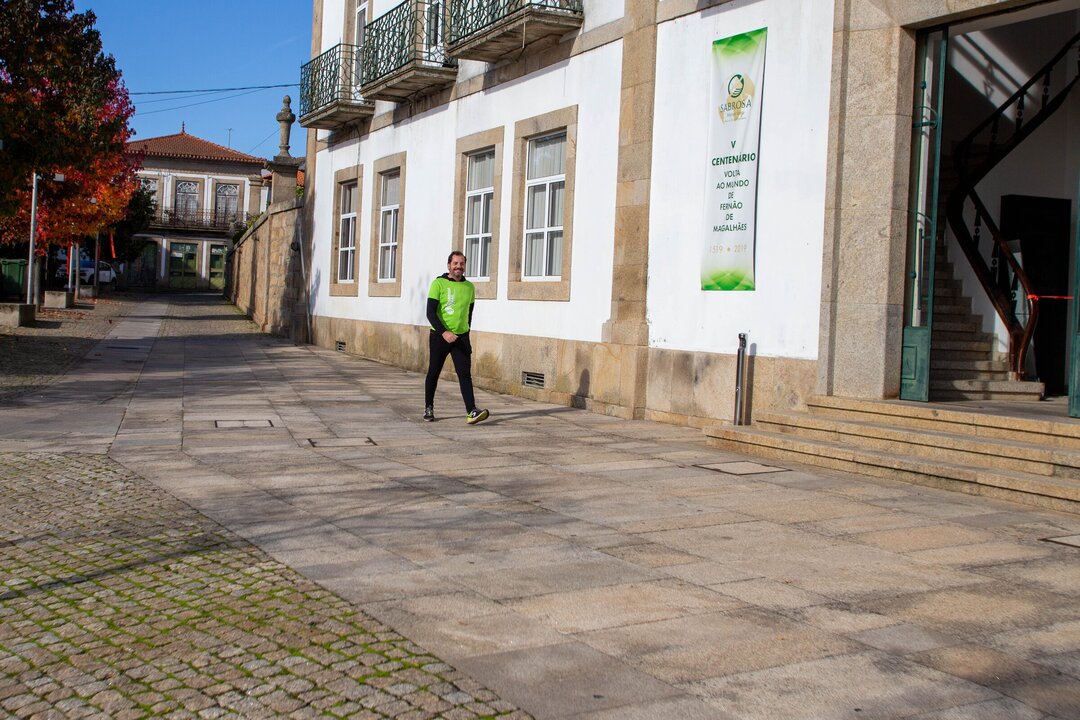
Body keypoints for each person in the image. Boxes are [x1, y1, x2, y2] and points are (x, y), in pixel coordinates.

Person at [424, 251, 489, 424]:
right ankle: (428, 407)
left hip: (461, 338)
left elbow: (469, 313)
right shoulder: (438, 284)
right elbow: (430, 313)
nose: (458, 266)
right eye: (455, 263)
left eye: (462, 263)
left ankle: (471, 411)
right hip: (439, 336)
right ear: (449, 265)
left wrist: (466, 332)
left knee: (465, 374)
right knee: (434, 372)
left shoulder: (469, 287)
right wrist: (444, 332)